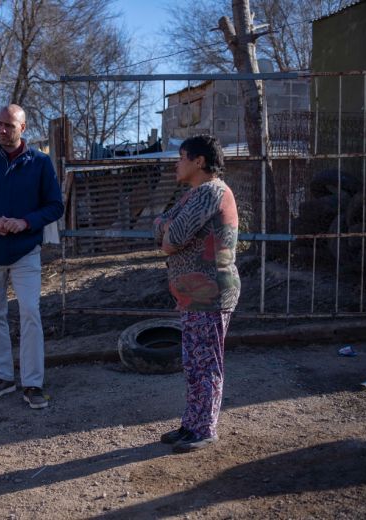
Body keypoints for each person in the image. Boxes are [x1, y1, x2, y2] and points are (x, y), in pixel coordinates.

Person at [0, 104, 64, 410]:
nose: (3, 130)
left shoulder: (40, 163)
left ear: (24, 128)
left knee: (30, 312)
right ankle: (3, 376)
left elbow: (55, 206)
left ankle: (33, 383)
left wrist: (26, 222)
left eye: (10, 126)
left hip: (25, 250)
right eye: (0, 124)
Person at [153, 134, 240, 453]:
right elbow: (158, 228)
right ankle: (192, 424)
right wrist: (166, 227)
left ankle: (204, 428)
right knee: (194, 362)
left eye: (181, 157)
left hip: (211, 293)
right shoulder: (191, 195)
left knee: (205, 362)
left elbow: (172, 236)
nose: (177, 163)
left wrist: (167, 228)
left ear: (199, 161)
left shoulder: (211, 192)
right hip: (194, 295)